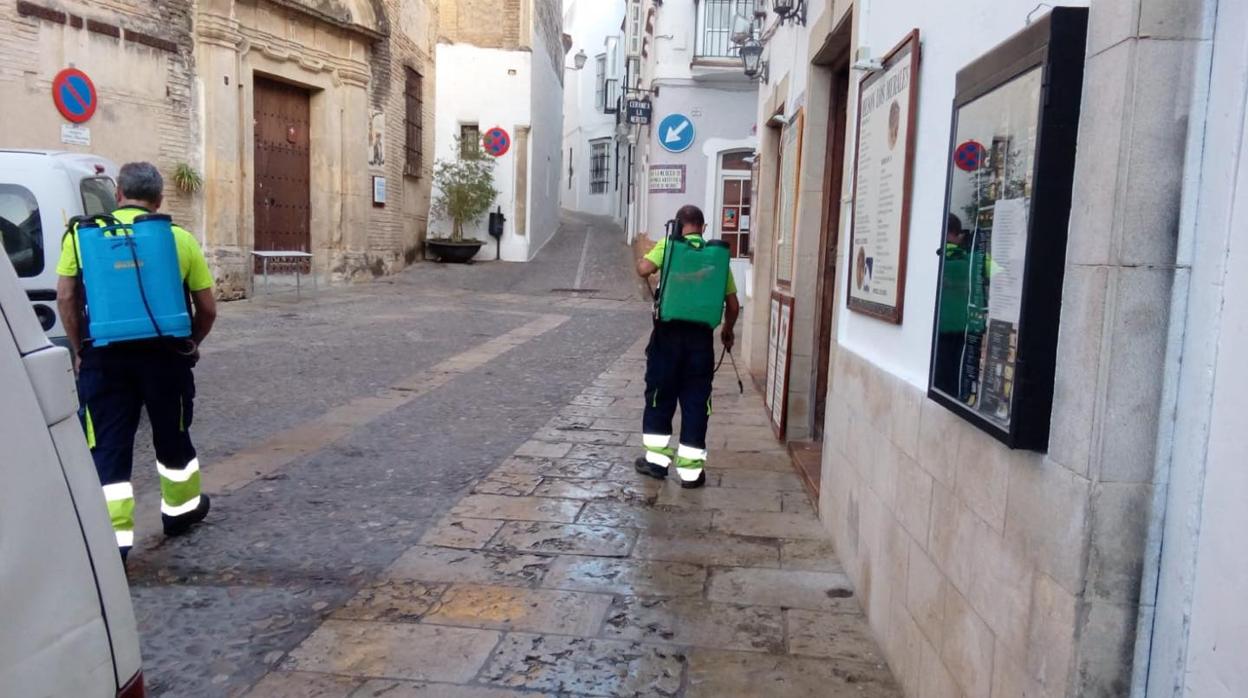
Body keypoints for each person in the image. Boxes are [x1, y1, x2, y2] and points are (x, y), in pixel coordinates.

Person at [56, 162, 217, 561]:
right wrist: (191, 343)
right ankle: (180, 512)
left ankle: (113, 544)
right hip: (166, 358)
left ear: (118, 194)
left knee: (108, 445)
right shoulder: (177, 238)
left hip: (104, 359)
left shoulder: (83, 236)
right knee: (172, 435)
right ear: (159, 199)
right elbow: (208, 308)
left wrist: (80, 349)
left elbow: (65, 298)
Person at [634, 205, 740, 489]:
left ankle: (656, 464)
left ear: (678, 225)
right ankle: (691, 473)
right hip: (701, 342)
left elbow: (643, 268)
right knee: (696, 401)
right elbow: (733, 305)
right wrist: (727, 331)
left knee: (660, 395)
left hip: (667, 338)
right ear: (703, 228)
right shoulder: (717, 259)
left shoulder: (669, 246)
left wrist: (652, 259)